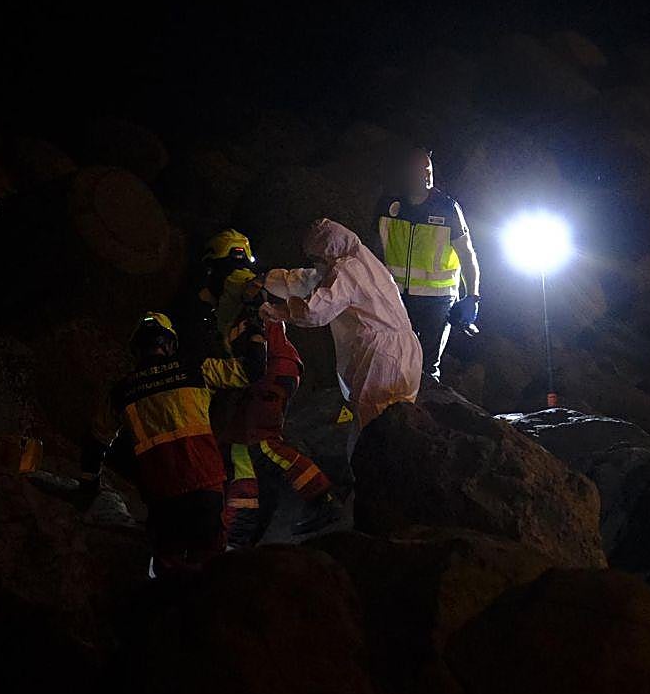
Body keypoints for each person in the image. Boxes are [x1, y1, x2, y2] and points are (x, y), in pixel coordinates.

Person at [83, 310, 266, 577]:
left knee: (167, 571)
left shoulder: (122, 392)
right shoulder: (197, 370)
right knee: (210, 570)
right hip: (205, 486)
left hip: (162, 494)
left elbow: (96, 442)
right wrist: (255, 329)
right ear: (169, 344)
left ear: (136, 348)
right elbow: (252, 369)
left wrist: (88, 485)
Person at [264, 218, 424, 450]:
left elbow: (314, 311)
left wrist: (282, 312)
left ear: (326, 251)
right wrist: (268, 279)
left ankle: (368, 479)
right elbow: (310, 280)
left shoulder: (345, 269)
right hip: (407, 350)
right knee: (399, 422)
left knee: (374, 428)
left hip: (381, 358)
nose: (316, 264)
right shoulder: (366, 262)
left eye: (315, 258)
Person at [216, 273, 344, 546]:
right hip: (274, 372)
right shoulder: (245, 309)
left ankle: (322, 497)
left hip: (270, 373)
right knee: (240, 447)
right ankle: (240, 524)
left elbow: (254, 353)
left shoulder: (249, 310)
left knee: (262, 442)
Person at [376, 146, 482, 382]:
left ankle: (424, 412)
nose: (425, 176)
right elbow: (374, 251)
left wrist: (472, 296)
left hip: (438, 300)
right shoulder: (388, 206)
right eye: (419, 170)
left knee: (427, 368)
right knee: (395, 361)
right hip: (396, 297)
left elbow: (467, 255)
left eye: (428, 170)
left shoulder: (448, 208)